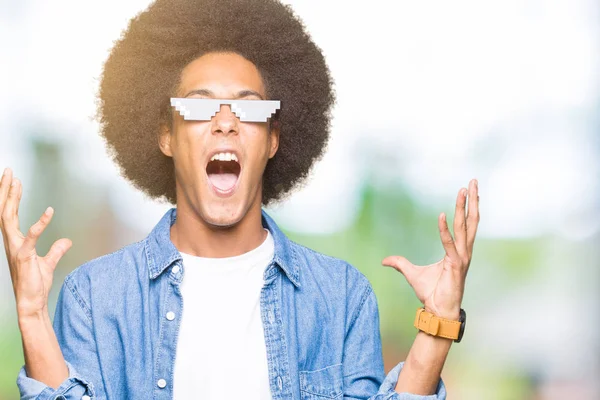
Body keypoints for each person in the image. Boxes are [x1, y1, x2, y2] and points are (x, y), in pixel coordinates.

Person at [2, 0, 480, 399]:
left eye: (249, 107)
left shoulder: (340, 297)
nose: (226, 121)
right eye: (199, 105)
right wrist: (32, 317)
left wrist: (437, 326)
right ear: (167, 136)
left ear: (272, 140)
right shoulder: (95, 297)